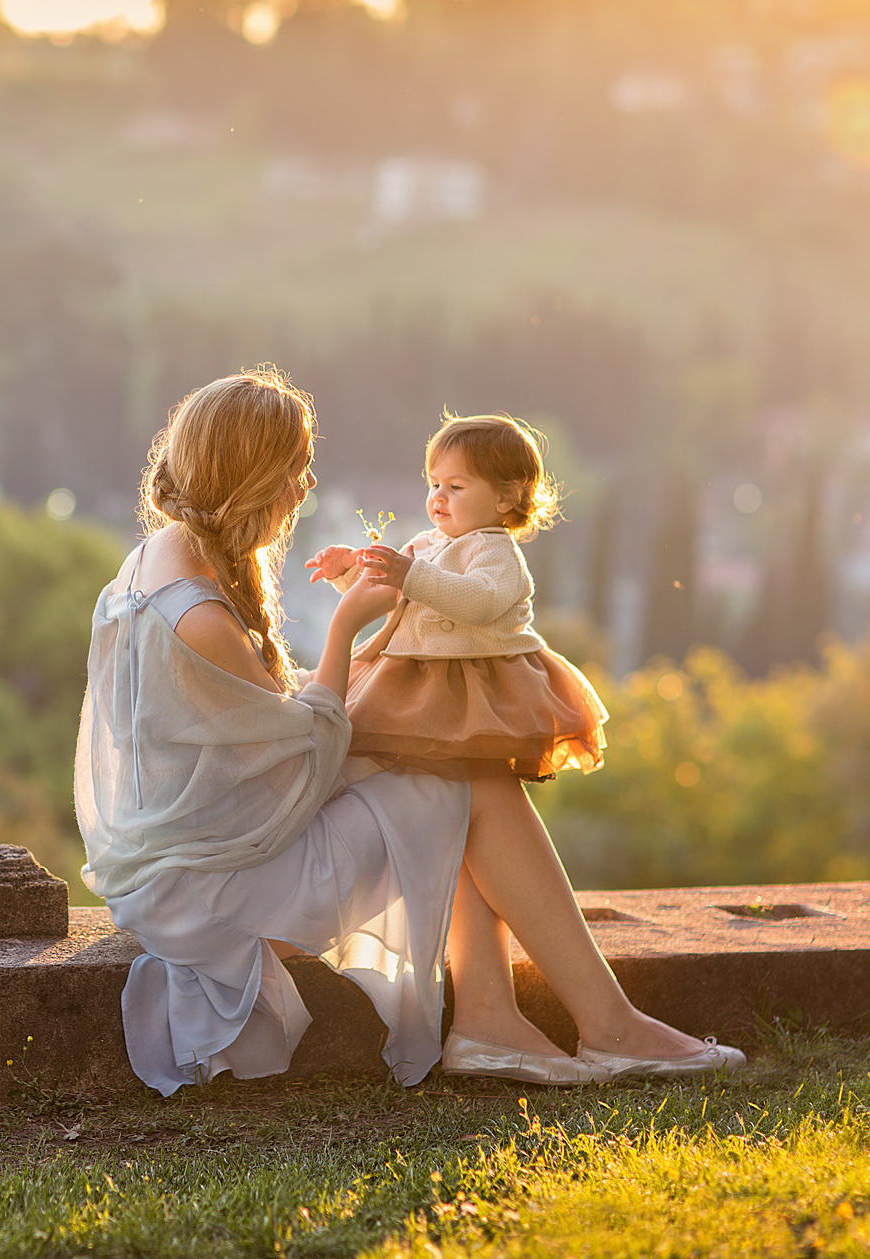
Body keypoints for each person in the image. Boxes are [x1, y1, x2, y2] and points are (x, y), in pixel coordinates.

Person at [76, 370, 744, 1094]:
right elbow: (290, 774)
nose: (304, 486)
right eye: (294, 469)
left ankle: (498, 1020)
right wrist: (343, 629)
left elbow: (247, 742)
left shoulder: (158, 557)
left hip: (208, 847)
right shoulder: (198, 614)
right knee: (466, 777)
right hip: (214, 885)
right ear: (253, 476)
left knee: (446, 761)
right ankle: (592, 1026)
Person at [305, 412, 606, 785]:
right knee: (392, 761)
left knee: (460, 769)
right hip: (416, 672)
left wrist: (411, 574)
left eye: (456, 487)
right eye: (434, 485)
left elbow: (481, 602)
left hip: (468, 683)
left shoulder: (496, 552)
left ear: (505, 498)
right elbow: (393, 596)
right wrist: (349, 571)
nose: (439, 497)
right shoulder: (426, 542)